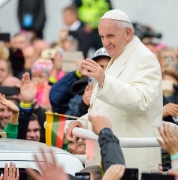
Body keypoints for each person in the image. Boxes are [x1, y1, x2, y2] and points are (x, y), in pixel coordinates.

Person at [67, 9, 163, 173]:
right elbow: (105, 107)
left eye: (110, 36)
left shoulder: (144, 58)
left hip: (131, 158)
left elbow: (141, 101)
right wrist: (83, 122)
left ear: (127, 33)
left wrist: (104, 80)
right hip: (110, 157)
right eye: (102, 37)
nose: (105, 43)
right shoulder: (119, 55)